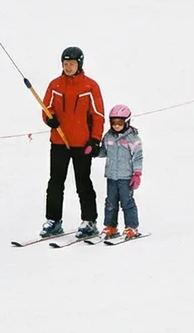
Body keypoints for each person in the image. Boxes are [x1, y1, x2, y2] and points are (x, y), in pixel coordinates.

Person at [39, 46, 106, 238]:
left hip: (82, 144)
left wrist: (95, 140)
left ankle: (89, 221)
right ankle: (53, 221)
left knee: (82, 182)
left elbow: (98, 115)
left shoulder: (90, 86)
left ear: (80, 64)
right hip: (59, 141)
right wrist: (49, 118)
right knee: (55, 182)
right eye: (65, 63)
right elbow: (46, 107)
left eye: (72, 64)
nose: (68, 67)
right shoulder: (55, 85)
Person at [95, 104, 143, 240]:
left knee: (127, 202)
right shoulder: (108, 136)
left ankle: (131, 227)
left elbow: (138, 157)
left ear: (127, 122)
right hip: (111, 176)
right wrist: (94, 151)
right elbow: (104, 151)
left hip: (126, 177)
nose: (116, 126)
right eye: (114, 122)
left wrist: (137, 174)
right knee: (110, 202)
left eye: (120, 123)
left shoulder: (133, 139)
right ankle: (111, 226)